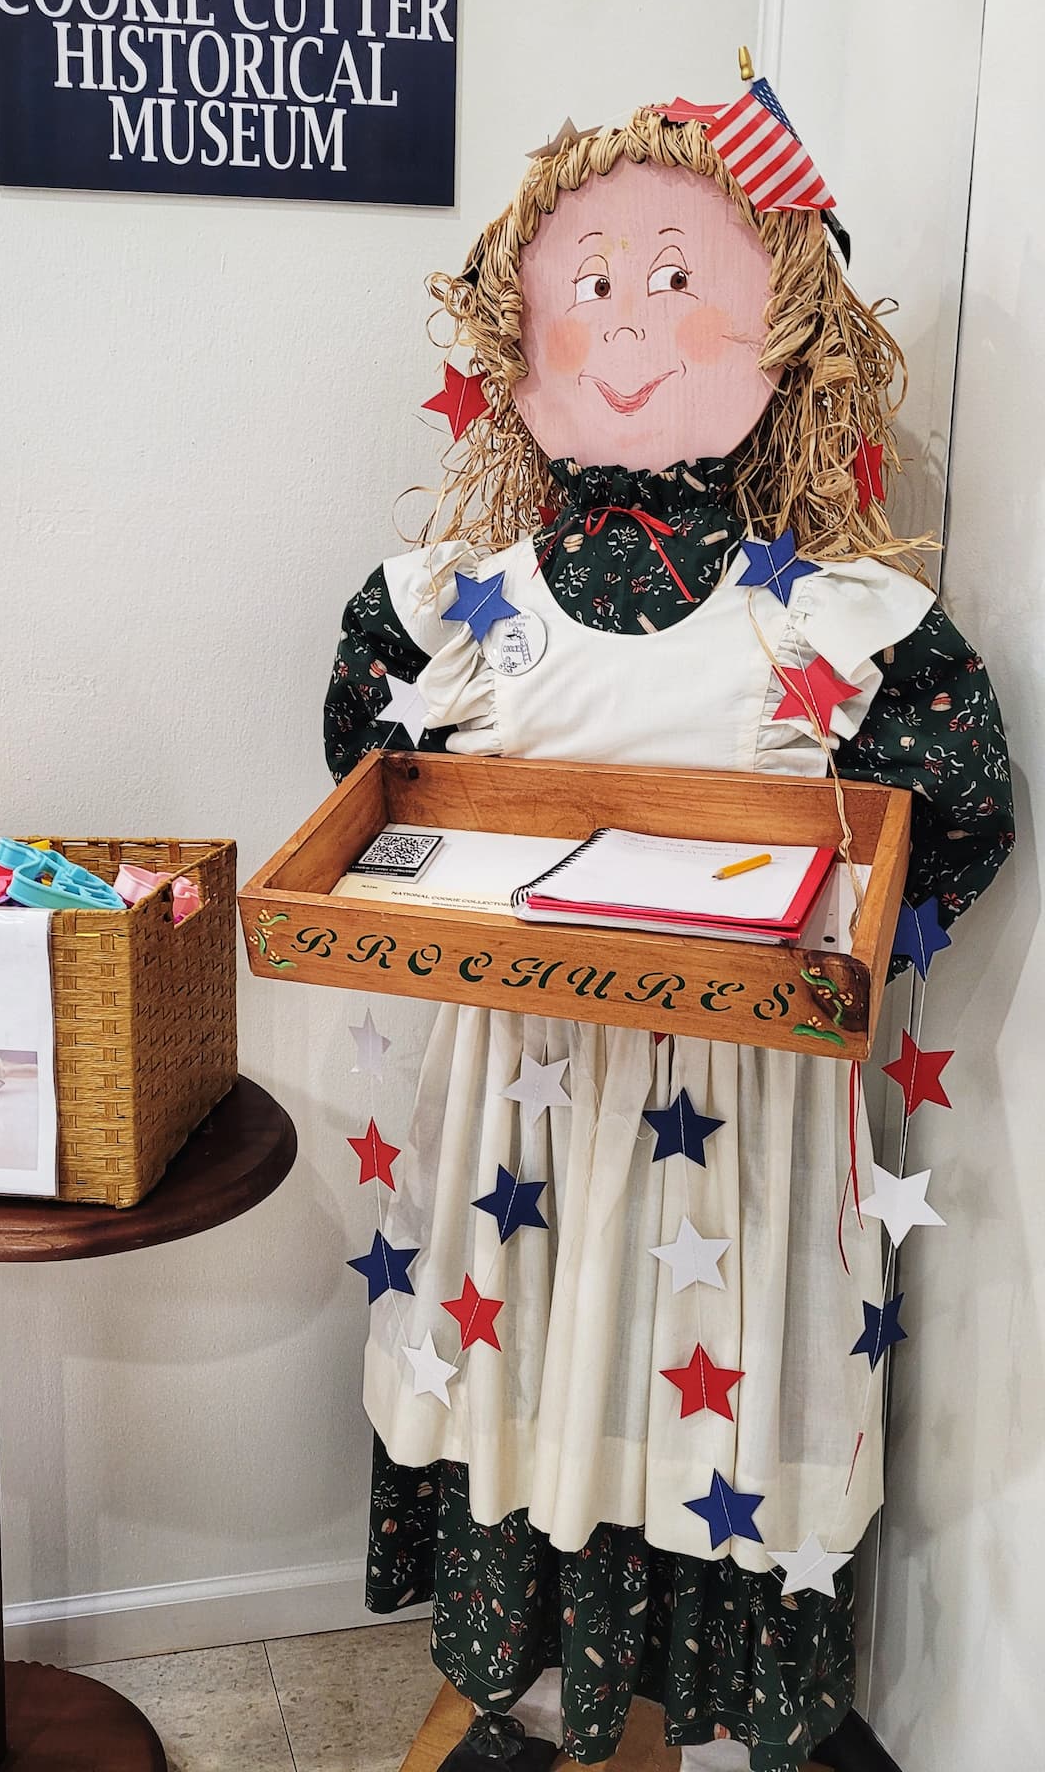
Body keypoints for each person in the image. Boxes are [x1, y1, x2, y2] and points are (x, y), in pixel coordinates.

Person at [323, 104, 1012, 1771]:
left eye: (677, 278)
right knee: (534, 1351)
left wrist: (839, 927)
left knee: (727, 1364)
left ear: (781, 329)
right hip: (530, 1088)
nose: (630, 320)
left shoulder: (826, 621)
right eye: (600, 281)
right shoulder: (458, 606)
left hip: (743, 1102)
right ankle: (544, 1699)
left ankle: (735, 1711)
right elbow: (373, 785)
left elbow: (953, 819)